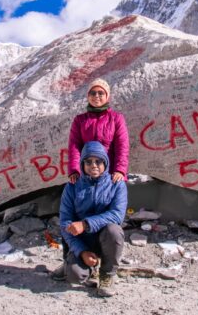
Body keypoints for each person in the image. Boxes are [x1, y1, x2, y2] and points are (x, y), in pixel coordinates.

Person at [58, 141, 127, 297]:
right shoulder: (72, 186)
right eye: (88, 161)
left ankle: (107, 275)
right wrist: (82, 252)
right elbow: (65, 223)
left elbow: (117, 214)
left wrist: (86, 224)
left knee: (114, 230)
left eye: (98, 161)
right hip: (84, 241)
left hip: (105, 238)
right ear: (82, 164)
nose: (94, 165)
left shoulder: (116, 184)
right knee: (75, 276)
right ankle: (70, 264)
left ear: (106, 162)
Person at [67, 78, 129, 184]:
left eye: (101, 93)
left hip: (111, 175)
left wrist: (119, 170)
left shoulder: (116, 118)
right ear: (88, 96)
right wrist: (75, 170)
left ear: (107, 96)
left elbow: (122, 146)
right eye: (93, 93)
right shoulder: (80, 120)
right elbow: (74, 146)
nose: (96, 96)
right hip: (86, 175)